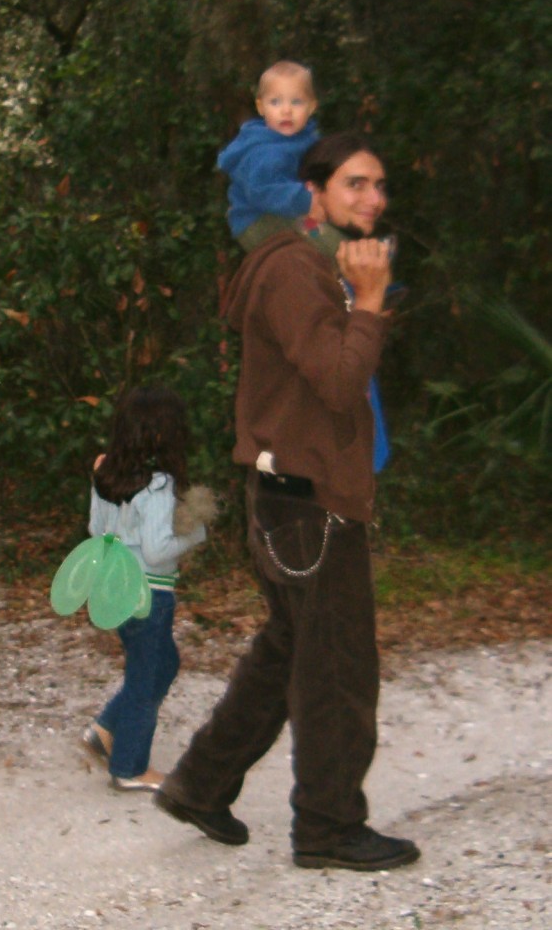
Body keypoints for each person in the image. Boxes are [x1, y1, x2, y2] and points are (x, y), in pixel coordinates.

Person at [154, 133, 421, 871]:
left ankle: (200, 784)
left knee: (288, 650)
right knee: (338, 668)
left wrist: (362, 299)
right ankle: (329, 829)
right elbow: (338, 381)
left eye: (379, 185)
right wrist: (369, 303)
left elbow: (328, 379)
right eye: (356, 184)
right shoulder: (297, 270)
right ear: (314, 191)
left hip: (293, 496)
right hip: (307, 503)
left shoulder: (315, 264)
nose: (373, 198)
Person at [82, 384, 209, 792]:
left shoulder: (105, 470)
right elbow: (157, 551)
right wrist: (195, 534)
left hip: (116, 588)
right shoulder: (158, 485)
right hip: (150, 594)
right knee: (146, 675)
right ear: (163, 434)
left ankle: (106, 731)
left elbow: (95, 530)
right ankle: (130, 766)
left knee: (161, 664)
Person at [217, 60, 322, 250]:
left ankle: (360, 252)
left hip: (285, 211)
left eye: (296, 101)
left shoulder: (306, 139)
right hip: (257, 219)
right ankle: (346, 254)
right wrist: (308, 200)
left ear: (312, 106)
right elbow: (263, 191)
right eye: (275, 102)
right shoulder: (262, 150)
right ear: (261, 107)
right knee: (318, 236)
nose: (286, 111)